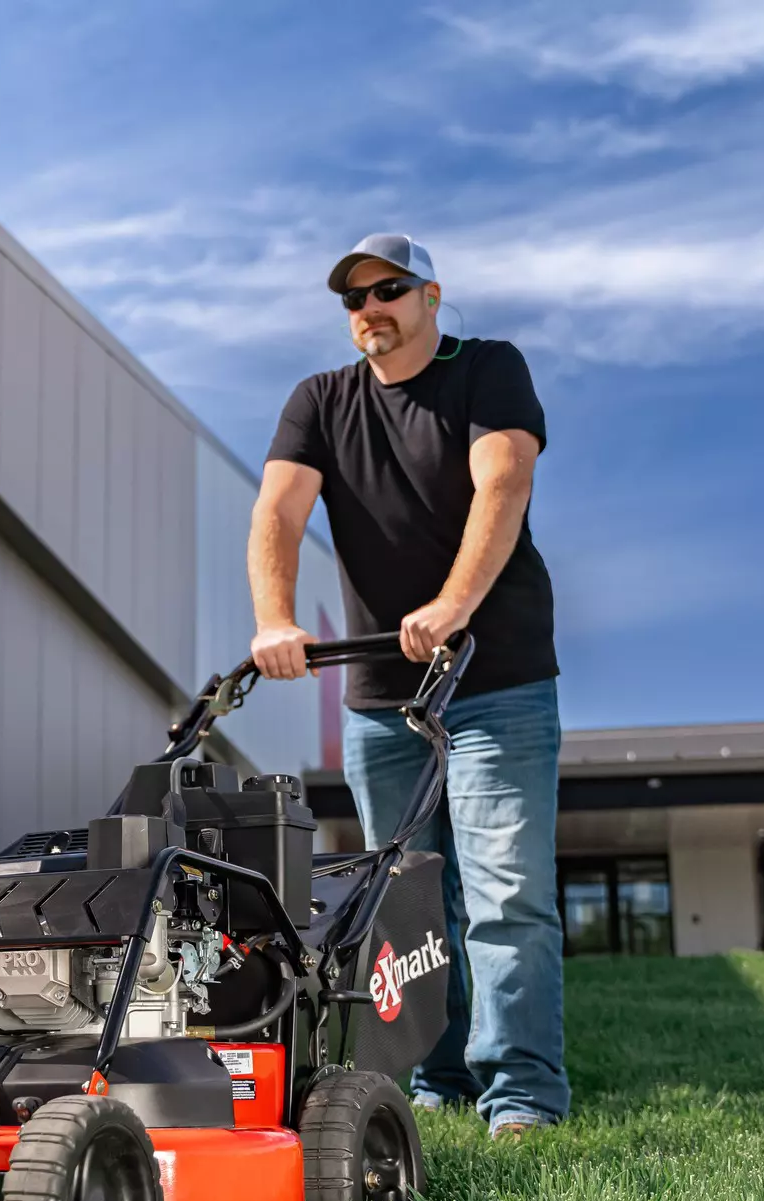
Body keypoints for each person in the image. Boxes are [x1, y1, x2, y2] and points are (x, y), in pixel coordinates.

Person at [246, 233, 566, 1136]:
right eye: (352, 299)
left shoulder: (488, 370)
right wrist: (275, 619)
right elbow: (277, 509)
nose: (368, 310)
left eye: (386, 290)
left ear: (431, 294)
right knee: (408, 896)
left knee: (505, 892)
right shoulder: (319, 400)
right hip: (384, 697)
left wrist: (455, 602)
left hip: (494, 679)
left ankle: (522, 1094)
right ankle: (436, 1075)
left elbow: (502, 482)